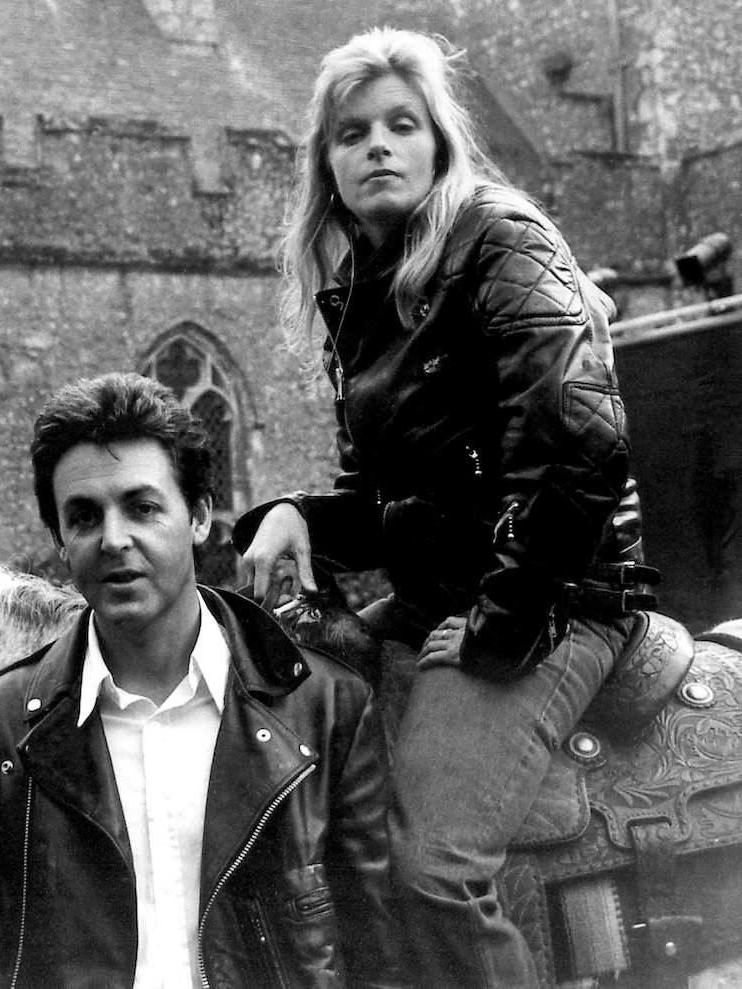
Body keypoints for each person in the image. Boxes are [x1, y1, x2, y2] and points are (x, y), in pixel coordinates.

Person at [234, 27, 654, 989]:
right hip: (434, 596)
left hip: (558, 597)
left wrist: (499, 628)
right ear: (326, 165)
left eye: (400, 124)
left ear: (439, 144)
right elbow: (399, 505)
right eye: (351, 132)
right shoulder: (361, 299)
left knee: (431, 870)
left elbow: (581, 447)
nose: (376, 144)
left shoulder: (502, 238)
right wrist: (294, 512)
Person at [0, 372, 401, 989]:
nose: (113, 539)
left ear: (199, 516)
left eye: (143, 507)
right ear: (61, 541)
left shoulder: (326, 708)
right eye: (84, 517)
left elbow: (379, 952)